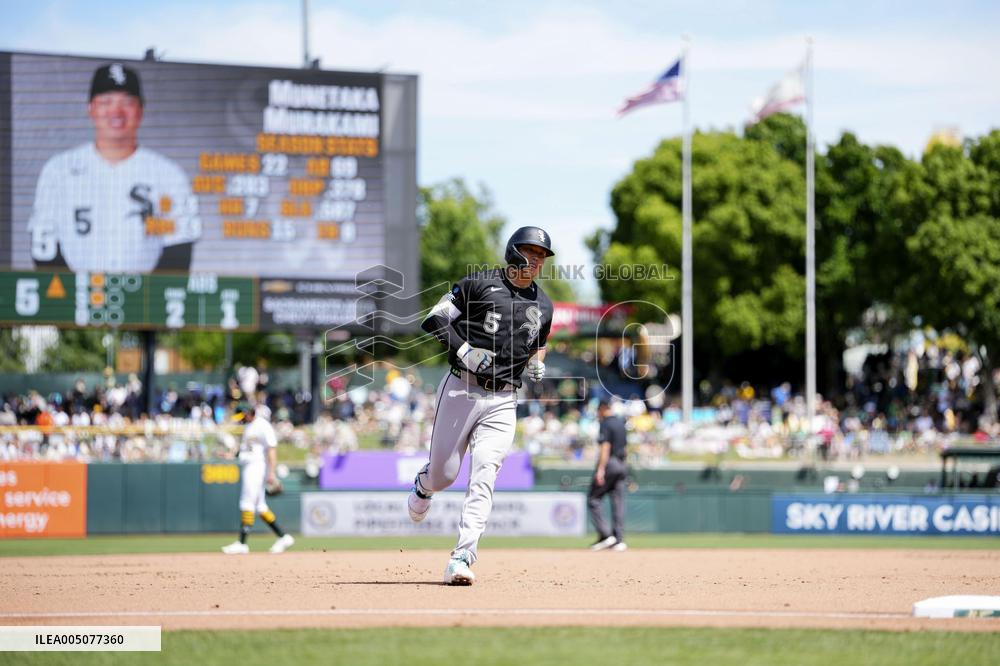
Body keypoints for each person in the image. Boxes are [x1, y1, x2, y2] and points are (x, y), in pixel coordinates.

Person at [409, 226, 555, 585]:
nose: (535, 260)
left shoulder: (544, 305)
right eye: (530, 252)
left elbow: (540, 341)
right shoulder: (478, 284)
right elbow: (434, 319)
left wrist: (538, 360)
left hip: (504, 399)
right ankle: (424, 486)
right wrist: (463, 350)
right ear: (512, 251)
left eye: (541, 256)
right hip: (462, 387)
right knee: (444, 475)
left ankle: (462, 556)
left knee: (485, 473)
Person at [29, 62, 200, 273]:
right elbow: (44, 247)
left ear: (140, 111)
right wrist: (72, 296)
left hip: (145, 299)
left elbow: (178, 249)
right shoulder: (58, 170)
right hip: (75, 297)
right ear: (90, 109)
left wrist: (148, 299)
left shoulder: (168, 174)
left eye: (127, 102)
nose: (116, 112)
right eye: (105, 101)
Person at [222, 404, 294, 554]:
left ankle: (242, 543)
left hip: (257, 467)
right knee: (260, 506)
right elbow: (247, 449)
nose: (241, 420)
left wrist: (271, 473)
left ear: (249, 413)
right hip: (249, 465)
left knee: (246, 502)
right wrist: (231, 455)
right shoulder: (249, 426)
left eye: (243, 416)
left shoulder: (262, 425)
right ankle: (283, 537)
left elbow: (271, 450)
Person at [588, 400, 629, 551]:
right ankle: (619, 540)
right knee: (618, 502)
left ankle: (606, 536)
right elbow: (625, 448)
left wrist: (600, 469)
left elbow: (605, 447)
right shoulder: (620, 423)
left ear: (603, 409)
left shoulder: (605, 423)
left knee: (593, 498)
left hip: (610, 463)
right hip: (622, 463)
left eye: (598, 411)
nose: (598, 414)